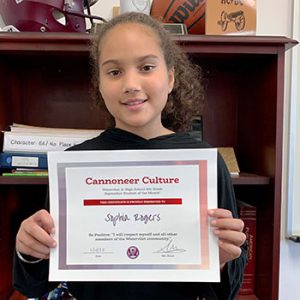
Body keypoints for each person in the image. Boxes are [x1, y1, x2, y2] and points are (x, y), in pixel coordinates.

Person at [13, 12, 247, 300]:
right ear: (99, 83)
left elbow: (227, 291)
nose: (131, 84)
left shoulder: (205, 164)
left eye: (146, 67)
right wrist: (29, 251)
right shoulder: (75, 166)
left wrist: (222, 259)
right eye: (114, 72)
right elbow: (36, 286)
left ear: (171, 78)